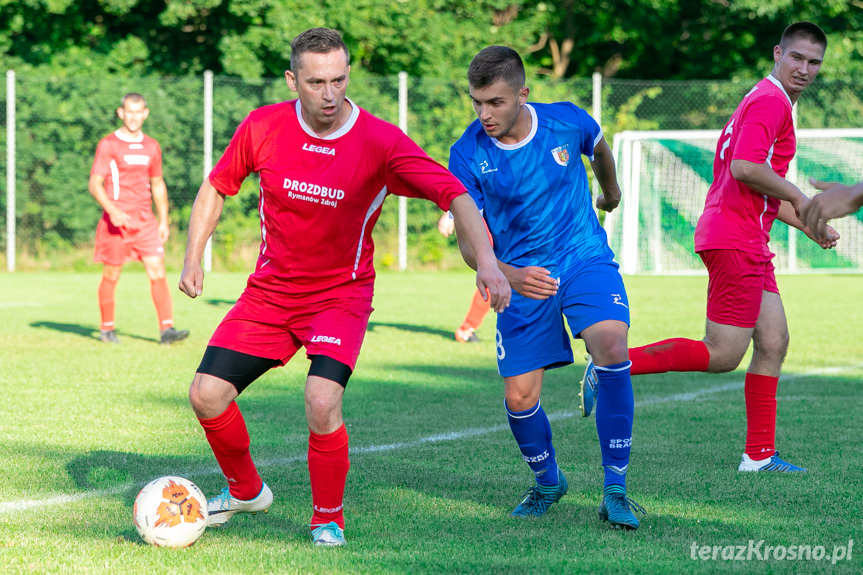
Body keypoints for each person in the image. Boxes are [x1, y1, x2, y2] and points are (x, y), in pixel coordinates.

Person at [178, 28, 510, 547]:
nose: (329, 93)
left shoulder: (379, 141)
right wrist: (193, 256)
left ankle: (326, 517)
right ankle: (246, 492)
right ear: (293, 80)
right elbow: (218, 186)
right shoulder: (263, 126)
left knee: (320, 400)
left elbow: (454, 192)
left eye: (338, 79)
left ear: (348, 75)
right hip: (268, 294)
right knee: (206, 395)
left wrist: (486, 262)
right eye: (315, 82)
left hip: (340, 297)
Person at [582, 22, 837, 474]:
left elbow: (757, 190)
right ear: (778, 53)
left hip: (744, 234)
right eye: (796, 57)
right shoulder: (769, 102)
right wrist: (801, 196)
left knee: (774, 340)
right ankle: (613, 364)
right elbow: (744, 168)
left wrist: (806, 225)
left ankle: (758, 457)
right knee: (722, 354)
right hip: (735, 238)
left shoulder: (768, 100)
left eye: (813, 61)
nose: (804, 68)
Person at [449, 46, 644, 529]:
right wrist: (506, 273)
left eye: (495, 102)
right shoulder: (467, 152)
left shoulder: (565, 122)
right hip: (520, 277)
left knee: (611, 345)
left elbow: (599, 145)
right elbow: (470, 241)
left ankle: (615, 489)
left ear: (522, 94)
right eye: (477, 102)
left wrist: (611, 191)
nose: (484, 114)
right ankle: (549, 481)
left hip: (583, 258)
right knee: (519, 396)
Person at [88, 93, 189, 345]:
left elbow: (157, 184)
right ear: (121, 113)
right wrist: (112, 210)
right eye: (129, 112)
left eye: (138, 112)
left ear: (145, 113)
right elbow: (95, 183)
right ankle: (107, 329)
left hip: (145, 221)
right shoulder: (108, 144)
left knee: (157, 271)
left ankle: (167, 330)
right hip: (117, 222)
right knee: (112, 274)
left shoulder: (152, 146)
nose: (134, 117)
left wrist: (163, 220)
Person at [437, 211, 491, 342]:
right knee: (494, 277)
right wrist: (451, 213)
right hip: (492, 219)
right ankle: (467, 328)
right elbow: (470, 191)